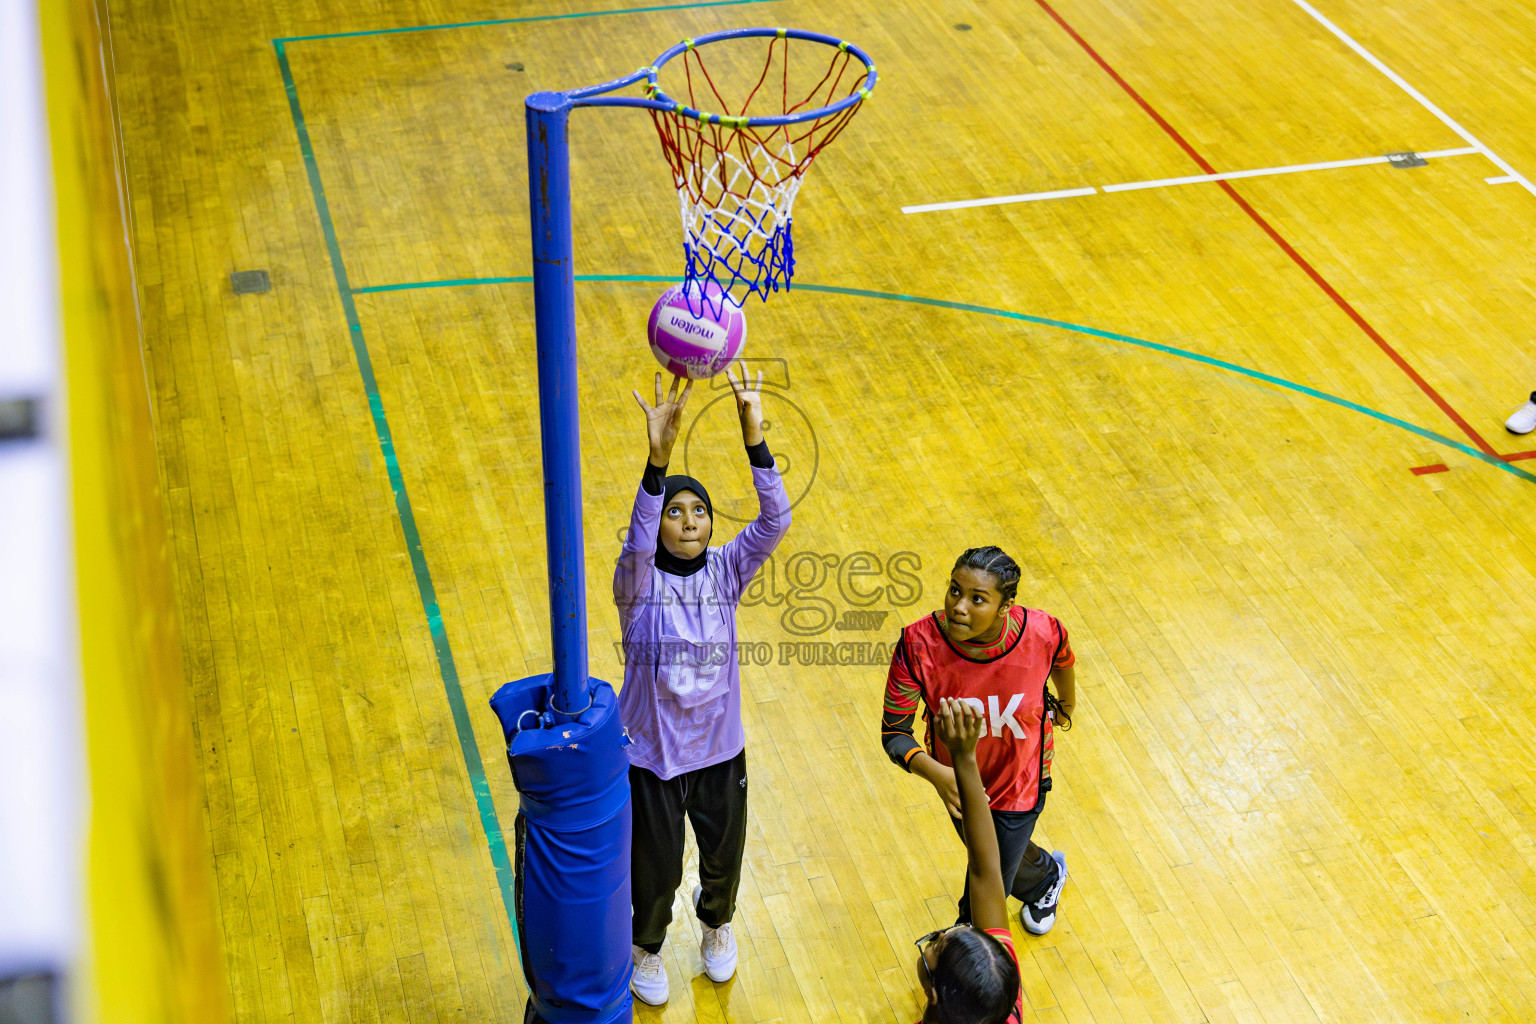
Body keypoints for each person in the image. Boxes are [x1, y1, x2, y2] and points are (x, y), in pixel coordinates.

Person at [614, 367, 791, 1006]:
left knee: (724, 860)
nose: (689, 519)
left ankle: (716, 926)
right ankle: (646, 946)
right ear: (658, 523)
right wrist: (656, 464)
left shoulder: (726, 569)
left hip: (719, 753)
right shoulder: (635, 586)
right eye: (674, 510)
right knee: (654, 873)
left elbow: (775, 519)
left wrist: (753, 434)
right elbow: (635, 544)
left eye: (700, 511)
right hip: (652, 761)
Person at [882, 546, 1077, 934]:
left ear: (1006, 606)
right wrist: (939, 775)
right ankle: (1046, 877)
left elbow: (1063, 661)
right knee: (992, 858)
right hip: (960, 786)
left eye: (977, 599)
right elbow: (894, 734)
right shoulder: (917, 645)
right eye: (955, 590)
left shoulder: (1042, 632)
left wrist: (1065, 709)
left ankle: (962, 953)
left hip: (1020, 780)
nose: (959, 606)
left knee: (981, 898)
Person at [914, 697, 1023, 1024]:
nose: (933, 939)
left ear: (934, 993)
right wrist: (963, 757)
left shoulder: (999, 987)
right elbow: (986, 869)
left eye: (932, 946)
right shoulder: (993, 991)